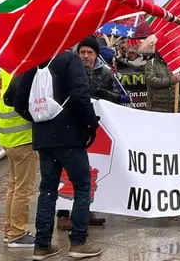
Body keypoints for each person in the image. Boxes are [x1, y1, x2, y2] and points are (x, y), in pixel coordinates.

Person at [14, 51, 102, 260]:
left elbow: (18, 102)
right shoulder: (70, 60)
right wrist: (91, 125)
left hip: (44, 139)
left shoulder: (32, 61)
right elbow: (81, 96)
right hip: (70, 136)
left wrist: (40, 119)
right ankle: (78, 242)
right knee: (82, 186)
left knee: (48, 189)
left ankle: (42, 245)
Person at [56, 36, 114, 230]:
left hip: (95, 129)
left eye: (90, 53)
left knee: (89, 171)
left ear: (96, 55)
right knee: (66, 172)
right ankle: (63, 213)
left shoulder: (106, 73)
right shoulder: (68, 70)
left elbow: (116, 97)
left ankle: (84, 211)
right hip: (71, 129)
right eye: (83, 52)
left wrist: (106, 96)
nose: (86, 56)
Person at [0, 70, 37, 248]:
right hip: (22, 138)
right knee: (23, 188)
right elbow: (19, 102)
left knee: (14, 186)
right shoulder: (21, 72)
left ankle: (9, 229)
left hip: (8, 138)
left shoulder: (4, 72)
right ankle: (17, 233)